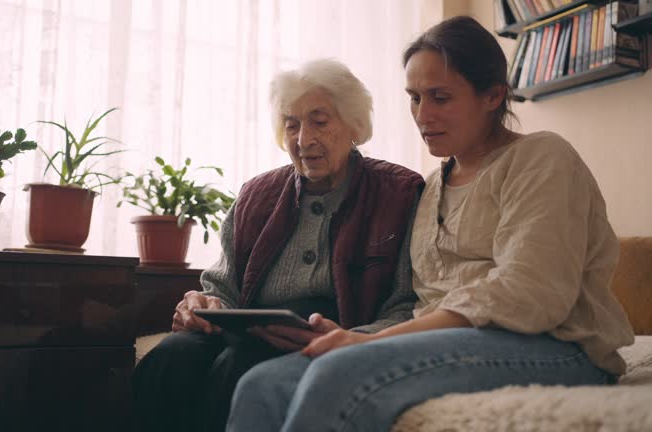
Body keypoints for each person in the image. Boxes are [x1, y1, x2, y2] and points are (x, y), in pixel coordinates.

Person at [226, 16, 636, 432]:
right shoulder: (432, 185)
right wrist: (360, 334)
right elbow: (423, 298)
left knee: (339, 373)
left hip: (555, 346)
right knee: (263, 384)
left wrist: (372, 343)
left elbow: (530, 294)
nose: (423, 116)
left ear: (493, 95)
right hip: (448, 341)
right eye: (415, 98)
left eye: (440, 98)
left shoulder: (542, 158)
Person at [131, 59, 424, 432]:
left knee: (240, 364)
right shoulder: (257, 194)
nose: (304, 140)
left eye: (319, 122)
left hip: (334, 334)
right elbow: (222, 287)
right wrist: (202, 304)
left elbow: (407, 305)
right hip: (250, 328)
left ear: (354, 125)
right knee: (170, 357)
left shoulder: (396, 193)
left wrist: (355, 338)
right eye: (292, 124)